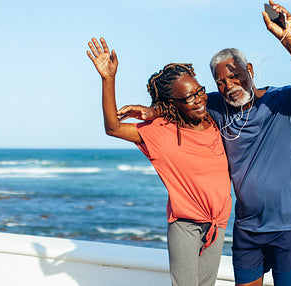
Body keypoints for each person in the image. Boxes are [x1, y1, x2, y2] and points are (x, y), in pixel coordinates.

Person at [86, 37, 232, 286]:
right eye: (189, 97)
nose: (198, 99)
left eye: (200, 91)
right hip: (186, 226)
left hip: (217, 225)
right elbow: (113, 128)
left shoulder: (215, 120)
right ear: (172, 103)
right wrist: (108, 80)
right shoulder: (160, 132)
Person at [205, 1, 291, 285]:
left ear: (249, 69)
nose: (228, 85)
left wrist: (289, 40)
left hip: (290, 225)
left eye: (234, 75)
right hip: (247, 227)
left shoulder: (283, 102)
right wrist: (152, 110)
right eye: (220, 81)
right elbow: (184, 101)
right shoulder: (218, 107)